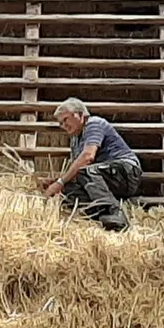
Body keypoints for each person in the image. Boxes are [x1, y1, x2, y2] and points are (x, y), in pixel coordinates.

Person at [43, 98, 142, 231]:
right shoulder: (75, 140)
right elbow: (75, 170)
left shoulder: (94, 124)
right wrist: (56, 182)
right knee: (68, 190)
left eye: (65, 119)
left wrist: (60, 182)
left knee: (85, 172)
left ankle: (115, 216)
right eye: (60, 123)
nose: (63, 126)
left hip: (126, 172)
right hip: (102, 178)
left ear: (79, 114)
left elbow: (88, 157)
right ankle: (99, 216)